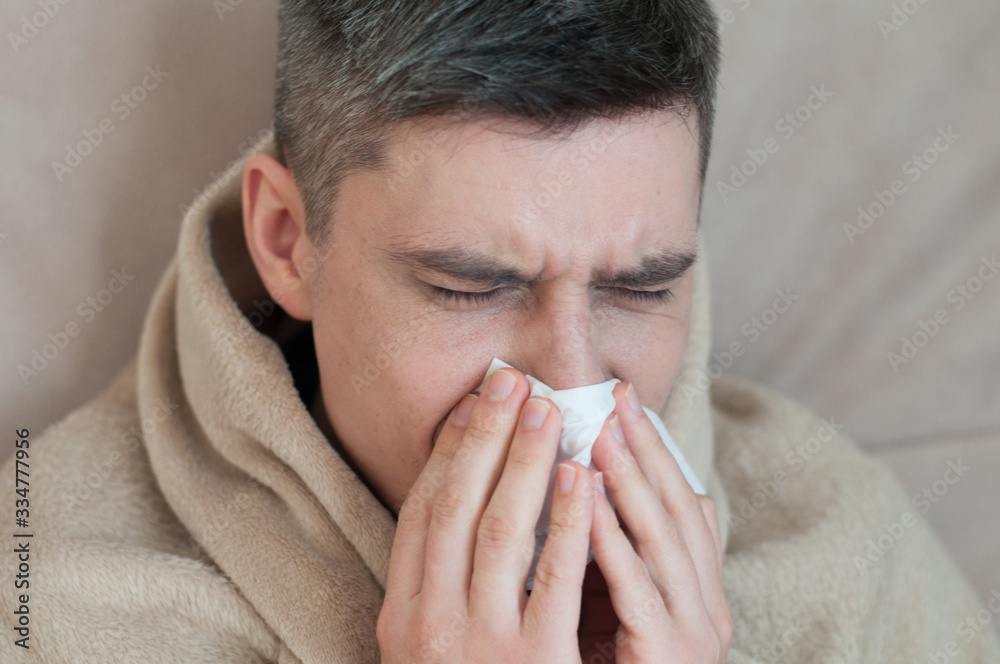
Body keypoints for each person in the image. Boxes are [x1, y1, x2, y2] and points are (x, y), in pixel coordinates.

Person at [2, 1, 998, 662]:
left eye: (642, 287)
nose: (570, 387)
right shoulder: (44, 596)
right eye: (469, 286)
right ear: (288, 241)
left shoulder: (843, 546)